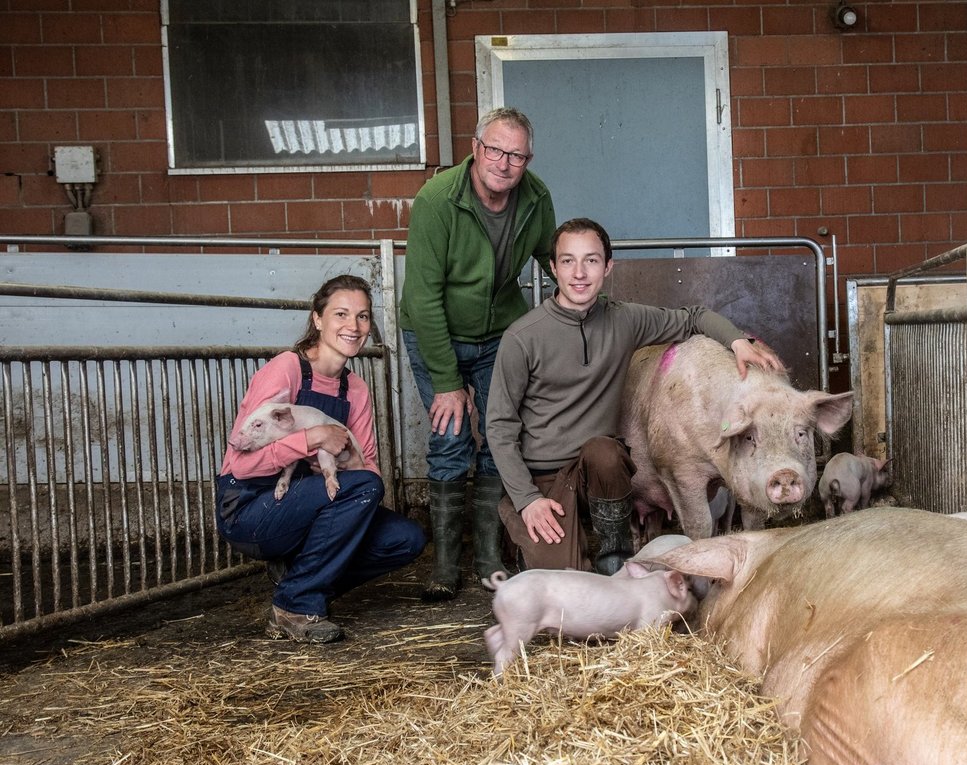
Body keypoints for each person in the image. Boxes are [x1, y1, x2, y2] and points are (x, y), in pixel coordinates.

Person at [486, 218, 784, 574]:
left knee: (606, 451)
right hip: (544, 479)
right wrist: (527, 498)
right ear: (552, 267)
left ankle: (616, 553)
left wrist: (737, 342)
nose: (579, 273)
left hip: (596, 471)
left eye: (591, 260)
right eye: (568, 261)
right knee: (565, 592)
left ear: (608, 266)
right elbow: (500, 425)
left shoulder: (623, 320)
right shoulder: (522, 337)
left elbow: (694, 317)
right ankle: (519, 522)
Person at [215, 275, 426, 644]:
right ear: (317, 319)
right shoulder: (287, 369)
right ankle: (295, 604)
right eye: (341, 314)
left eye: (362, 317)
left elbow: (369, 465)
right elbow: (242, 465)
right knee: (362, 488)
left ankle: (299, 578)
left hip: (315, 500)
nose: (353, 326)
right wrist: (311, 439)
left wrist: (345, 464)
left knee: (405, 538)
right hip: (251, 506)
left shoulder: (355, 388)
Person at [399, 106, 556, 602]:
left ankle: (487, 555)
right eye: (495, 149)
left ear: (527, 160)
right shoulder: (436, 201)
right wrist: (447, 381)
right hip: (435, 331)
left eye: (516, 154)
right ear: (475, 148)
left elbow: (555, 260)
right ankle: (446, 564)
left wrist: (584, 298)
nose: (504, 162)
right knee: (449, 439)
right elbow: (423, 299)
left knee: (498, 437)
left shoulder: (536, 198)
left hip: (499, 337)